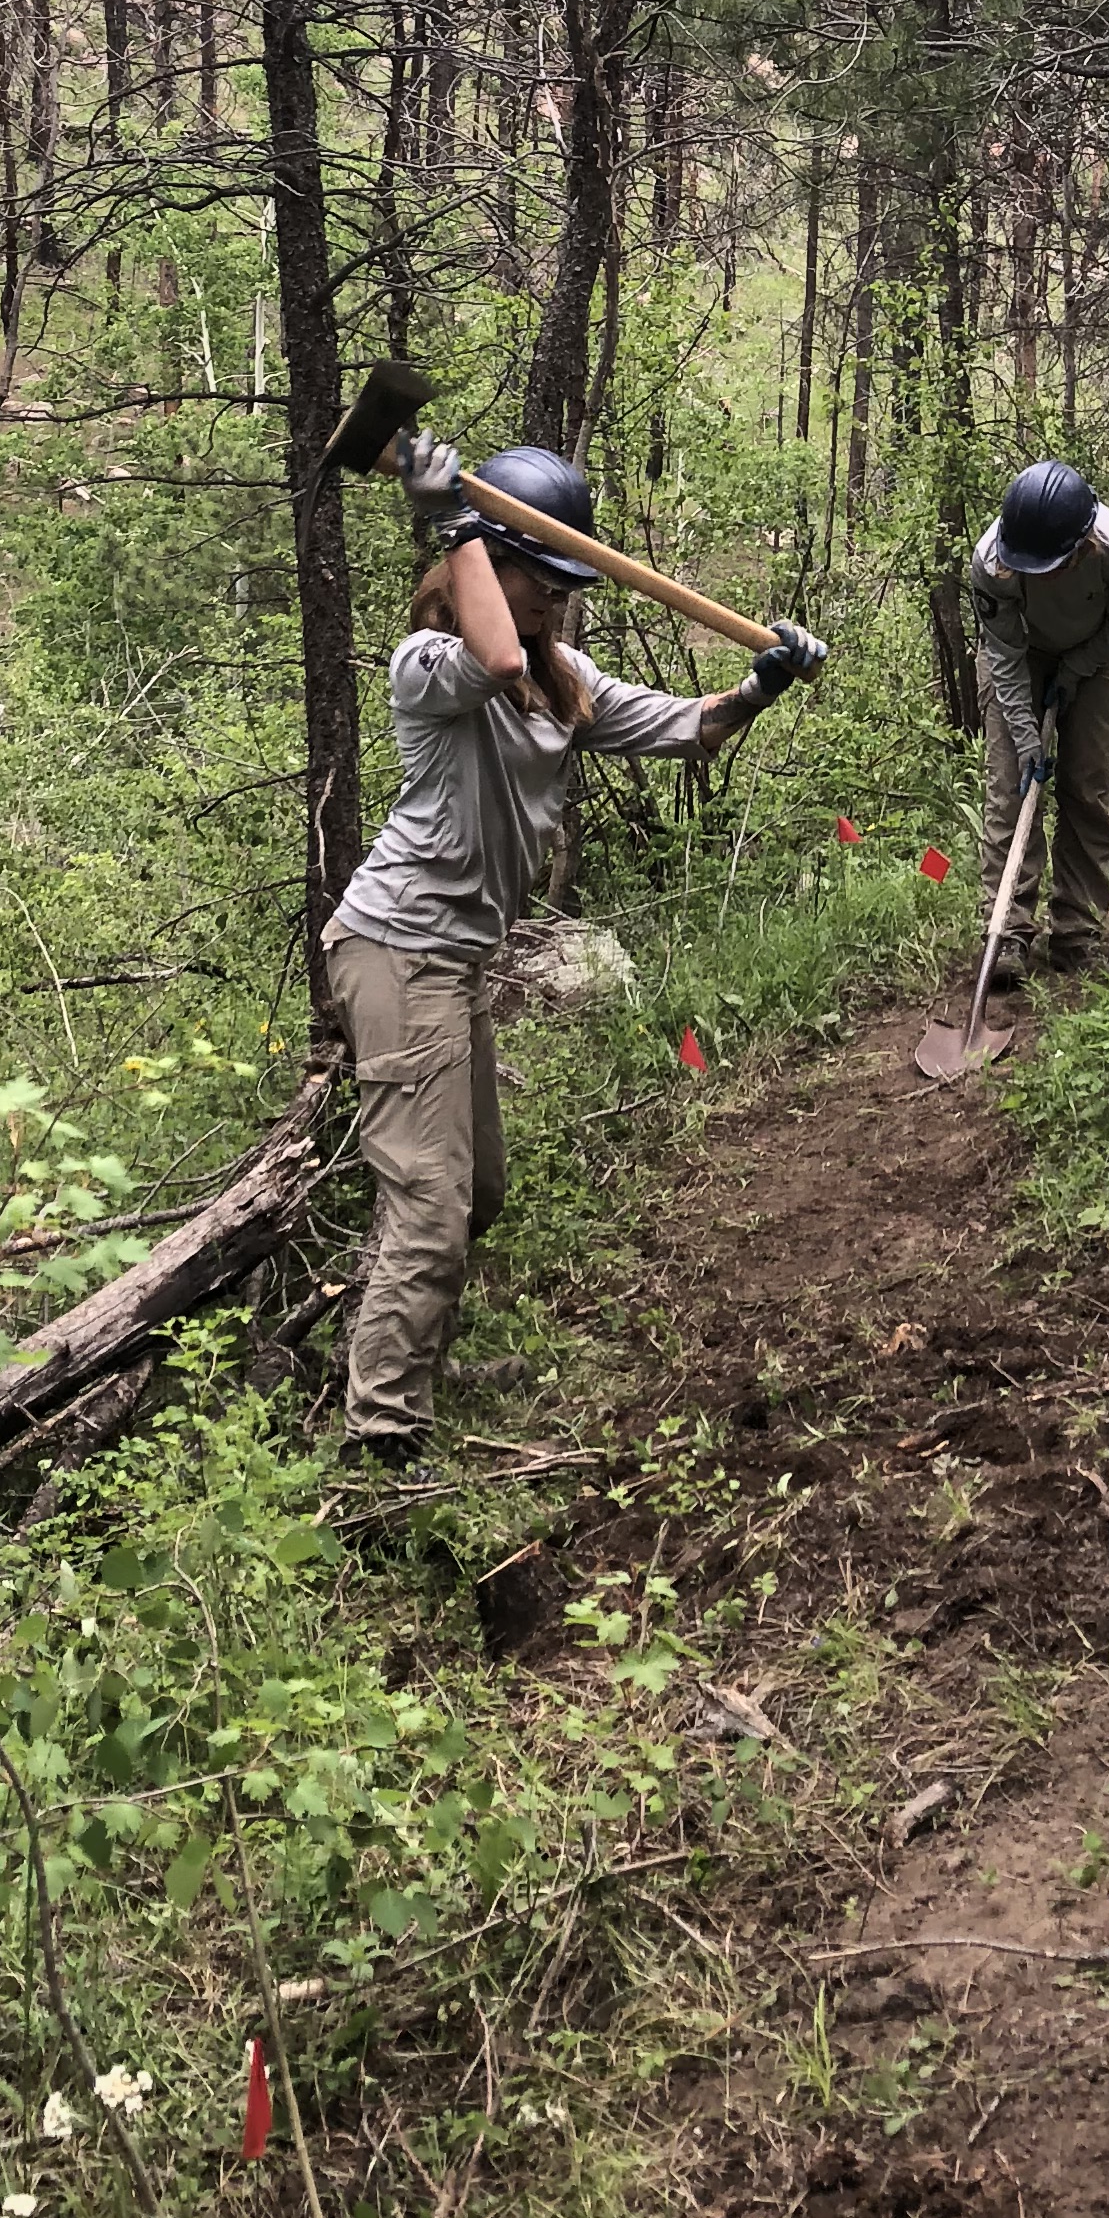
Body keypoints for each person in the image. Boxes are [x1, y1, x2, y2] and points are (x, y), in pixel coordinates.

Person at [322, 427, 823, 1483]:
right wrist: (452, 519)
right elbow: (494, 655)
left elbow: (691, 727)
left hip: (452, 963)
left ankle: (400, 1361)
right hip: (394, 947)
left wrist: (762, 686)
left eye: (563, 586)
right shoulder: (431, 668)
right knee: (431, 1203)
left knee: (477, 1193)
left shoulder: (568, 684)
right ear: (482, 572)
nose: (555, 604)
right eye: (537, 581)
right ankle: (380, 1444)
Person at [968, 457, 1109, 989]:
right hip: (1019, 655)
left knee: (1087, 787)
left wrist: (1072, 672)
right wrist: (1027, 738)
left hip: (1097, 655)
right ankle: (1006, 933)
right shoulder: (990, 560)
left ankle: (1076, 932)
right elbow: (1001, 652)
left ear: (1079, 545)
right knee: (1010, 791)